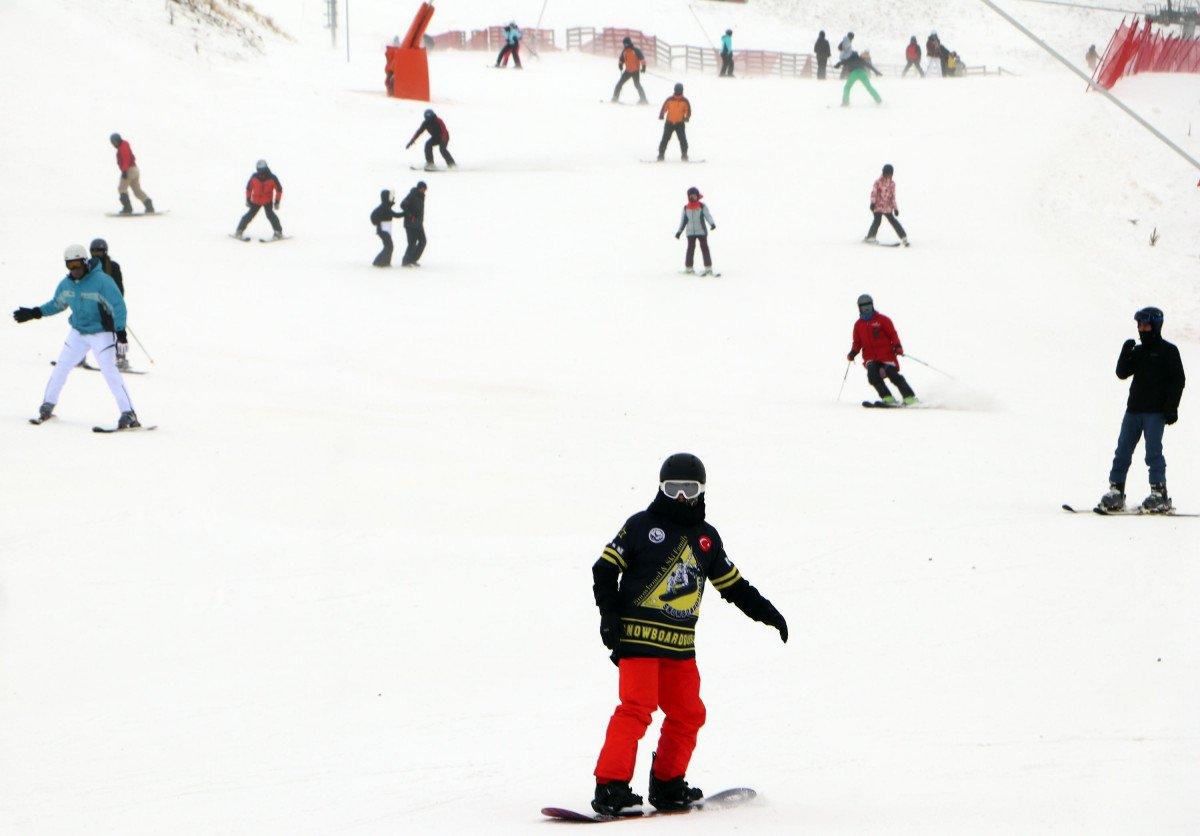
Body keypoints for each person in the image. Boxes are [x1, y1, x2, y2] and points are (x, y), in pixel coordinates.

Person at [589, 453, 787, 816]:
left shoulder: (706, 538)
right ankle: (611, 786)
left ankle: (668, 783)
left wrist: (768, 614)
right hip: (638, 640)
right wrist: (609, 615)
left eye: (689, 489)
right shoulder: (641, 526)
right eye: (673, 489)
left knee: (689, 713)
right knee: (636, 709)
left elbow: (734, 586)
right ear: (661, 488)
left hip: (680, 647)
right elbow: (604, 568)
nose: (681, 497)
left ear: (702, 491)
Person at [13, 244, 139, 429]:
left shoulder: (102, 281)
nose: (74, 269)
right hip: (78, 332)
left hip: (101, 333)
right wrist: (35, 312)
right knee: (61, 367)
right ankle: (47, 406)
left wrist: (121, 333)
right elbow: (57, 304)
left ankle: (128, 413)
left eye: (77, 264)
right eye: (69, 265)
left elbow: (118, 306)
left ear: (85, 262)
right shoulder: (66, 284)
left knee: (109, 371)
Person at [1098, 307, 1185, 513]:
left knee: (1153, 453)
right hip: (1134, 410)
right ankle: (1116, 491)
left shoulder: (1168, 351)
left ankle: (1159, 494)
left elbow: (1178, 380)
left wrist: (1171, 408)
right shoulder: (1138, 351)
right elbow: (1122, 373)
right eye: (1139, 325)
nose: (1141, 329)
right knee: (1122, 451)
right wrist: (1125, 352)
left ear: (1156, 326)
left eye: (1146, 325)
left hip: (1155, 412)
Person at [847, 294, 918, 406]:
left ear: (872, 305)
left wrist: (897, 346)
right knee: (872, 376)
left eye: (868, 306)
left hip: (886, 355)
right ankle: (887, 398)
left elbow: (893, 334)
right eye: (863, 307)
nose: (866, 309)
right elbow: (857, 342)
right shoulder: (858, 325)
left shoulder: (883, 320)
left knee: (892, 373)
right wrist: (853, 352)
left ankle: (910, 397)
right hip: (870, 357)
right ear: (859, 308)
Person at [87, 238, 131, 371]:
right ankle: (78, 356)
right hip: (92, 305)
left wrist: (113, 302)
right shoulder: (87, 266)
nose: (96, 254)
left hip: (109, 305)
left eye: (99, 251)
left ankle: (121, 358)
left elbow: (119, 288)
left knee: (116, 329)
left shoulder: (113, 267)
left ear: (105, 251)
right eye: (94, 251)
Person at [235, 159, 283, 240]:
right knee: (249, 215)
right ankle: (239, 230)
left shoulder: (272, 178)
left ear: (266, 167)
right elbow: (249, 188)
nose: (262, 170)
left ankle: (278, 232)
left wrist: (277, 201)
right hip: (256, 201)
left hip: (267, 200)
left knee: (270, 215)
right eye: (260, 168)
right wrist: (248, 199)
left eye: (263, 168)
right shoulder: (254, 177)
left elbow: (279, 190)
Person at [674, 187, 716, 275]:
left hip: (701, 232)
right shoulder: (686, 208)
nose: (693, 197)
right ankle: (689, 268)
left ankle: (708, 268)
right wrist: (679, 232)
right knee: (690, 249)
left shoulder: (702, 206)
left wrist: (712, 224)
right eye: (691, 196)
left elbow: (708, 216)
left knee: (705, 249)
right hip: (690, 233)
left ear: (697, 196)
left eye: (694, 195)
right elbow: (683, 221)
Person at [109, 133, 154, 215]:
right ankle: (149, 206)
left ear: (116, 141)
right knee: (137, 191)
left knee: (122, 189)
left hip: (129, 170)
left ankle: (127, 208)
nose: (113, 144)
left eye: (113, 142)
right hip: (134, 170)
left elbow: (126, 159)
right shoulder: (125, 145)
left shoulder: (122, 148)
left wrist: (124, 171)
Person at [865, 164, 908, 246]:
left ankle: (903, 237)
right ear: (884, 173)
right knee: (877, 221)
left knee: (893, 221)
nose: (889, 175)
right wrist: (872, 203)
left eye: (890, 174)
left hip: (887, 207)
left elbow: (893, 197)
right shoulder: (878, 182)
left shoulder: (892, 184)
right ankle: (870, 237)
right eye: (887, 174)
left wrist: (895, 208)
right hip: (878, 206)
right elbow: (873, 193)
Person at [370, 189, 405, 267]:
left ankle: (384, 262)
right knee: (389, 246)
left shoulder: (385, 206)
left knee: (388, 246)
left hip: (384, 229)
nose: (392, 198)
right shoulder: (384, 207)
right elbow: (395, 215)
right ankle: (379, 262)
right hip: (383, 230)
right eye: (390, 196)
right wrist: (405, 213)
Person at [657, 83, 691, 162]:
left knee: (682, 140)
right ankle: (661, 154)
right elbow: (664, 108)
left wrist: (687, 117)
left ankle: (684, 155)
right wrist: (661, 115)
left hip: (680, 124)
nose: (678, 92)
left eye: (679, 91)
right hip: (669, 123)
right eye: (677, 90)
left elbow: (688, 111)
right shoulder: (669, 100)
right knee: (665, 139)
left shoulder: (685, 101)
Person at [399, 181, 428, 267]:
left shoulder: (421, 196)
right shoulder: (412, 195)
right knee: (412, 243)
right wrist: (410, 215)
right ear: (419, 188)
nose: (424, 191)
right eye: (423, 189)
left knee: (423, 241)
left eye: (425, 189)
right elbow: (403, 205)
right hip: (410, 224)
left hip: (418, 224)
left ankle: (413, 259)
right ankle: (405, 261)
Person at [613, 37, 648, 104]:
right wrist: (620, 65)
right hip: (628, 71)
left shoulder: (636, 50)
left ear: (629, 43)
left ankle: (643, 100)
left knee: (637, 85)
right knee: (619, 84)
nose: (625, 45)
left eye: (626, 43)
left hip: (635, 71)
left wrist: (643, 67)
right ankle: (615, 98)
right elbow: (621, 59)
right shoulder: (624, 52)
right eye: (624, 44)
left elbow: (642, 59)